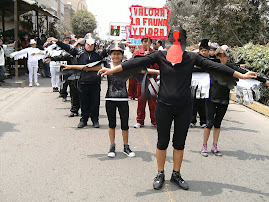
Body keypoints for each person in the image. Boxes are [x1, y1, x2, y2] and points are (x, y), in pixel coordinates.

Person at [97, 27, 257, 191]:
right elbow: (134, 63)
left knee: (179, 144)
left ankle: (176, 174)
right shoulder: (160, 56)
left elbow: (216, 67)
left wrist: (242, 75)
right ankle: (160, 173)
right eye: (172, 40)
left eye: (179, 40)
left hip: (184, 108)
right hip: (164, 107)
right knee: (162, 142)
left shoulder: (191, 57)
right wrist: (111, 70)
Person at [201, 45, 269, 157]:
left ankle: (215, 146)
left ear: (228, 57)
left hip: (224, 99)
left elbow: (248, 74)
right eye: (219, 55)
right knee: (209, 123)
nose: (221, 58)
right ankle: (204, 146)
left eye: (224, 56)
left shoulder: (231, 68)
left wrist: (264, 81)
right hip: (211, 99)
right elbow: (194, 68)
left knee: (218, 124)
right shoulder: (211, 65)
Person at [48, 34, 106, 128]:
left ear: (94, 45)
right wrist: (57, 41)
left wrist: (121, 43)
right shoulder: (79, 52)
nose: (89, 46)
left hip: (95, 82)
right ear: (85, 44)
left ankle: (95, 120)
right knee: (83, 102)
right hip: (82, 81)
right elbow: (67, 48)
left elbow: (110, 51)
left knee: (95, 103)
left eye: (92, 44)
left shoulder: (99, 53)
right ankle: (83, 120)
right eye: (88, 44)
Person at [133, 37, 159, 128]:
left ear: (151, 43)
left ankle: (155, 121)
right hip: (141, 80)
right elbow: (135, 65)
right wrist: (144, 57)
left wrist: (150, 58)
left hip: (152, 80)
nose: (146, 43)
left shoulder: (155, 54)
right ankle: (140, 121)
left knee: (153, 102)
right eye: (144, 41)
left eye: (148, 42)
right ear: (141, 43)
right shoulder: (137, 53)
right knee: (141, 101)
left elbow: (157, 66)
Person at [189, 39, 209, 128]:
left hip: (205, 86)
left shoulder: (210, 61)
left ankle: (203, 121)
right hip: (194, 84)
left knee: (203, 104)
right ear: (199, 51)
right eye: (202, 50)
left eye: (205, 51)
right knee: (193, 103)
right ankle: (192, 121)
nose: (204, 52)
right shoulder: (193, 60)